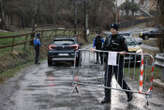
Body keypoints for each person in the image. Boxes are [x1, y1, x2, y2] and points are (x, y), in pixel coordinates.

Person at [101, 24, 133, 104]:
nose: (112, 30)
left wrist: (124, 52)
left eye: (113, 29)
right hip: (109, 61)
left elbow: (126, 50)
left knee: (119, 80)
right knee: (107, 80)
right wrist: (95, 49)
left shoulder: (121, 38)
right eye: (111, 29)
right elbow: (103, 48)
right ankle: (107, 98)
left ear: (117, 30)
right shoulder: (108, 38)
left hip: (118, 62)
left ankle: (129, 92)